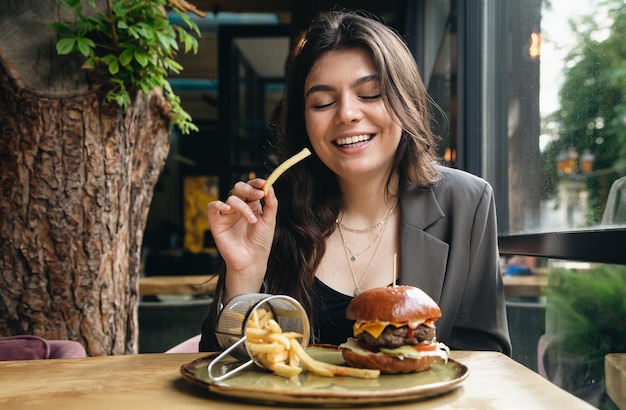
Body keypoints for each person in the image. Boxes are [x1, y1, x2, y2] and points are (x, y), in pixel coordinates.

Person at [199, 10, 511, 355]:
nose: (346, 113)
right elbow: (223, 365)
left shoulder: (467, 202)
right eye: (323, 102)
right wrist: (243, 275)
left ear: (404, 99)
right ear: (304, 122)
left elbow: (486, 360)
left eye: (371, 94)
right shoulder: (271, 214)